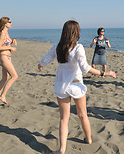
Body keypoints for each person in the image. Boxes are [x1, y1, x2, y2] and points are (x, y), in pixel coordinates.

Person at [38, 21, 116, 154]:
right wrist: (104, 73)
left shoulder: (57, 46)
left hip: (61, 86)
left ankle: (62, 149)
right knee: (82, 115)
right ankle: (89, 140)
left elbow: (46, 59)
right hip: (76, 86)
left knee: (64, 119)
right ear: (76, 33)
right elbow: (85, 68)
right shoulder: (78, 48)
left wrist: (40, 65)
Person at [0, 17, 18, 105]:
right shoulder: (2, 33)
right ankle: (3, 95)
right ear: (5, 24)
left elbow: (5, 43)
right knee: (15, 76)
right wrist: (10, 47)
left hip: (7, 57)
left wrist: (12, 40)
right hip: (3, 57)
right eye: (9, 22)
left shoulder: (6, 32)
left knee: (5, 78)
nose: (11, 23)